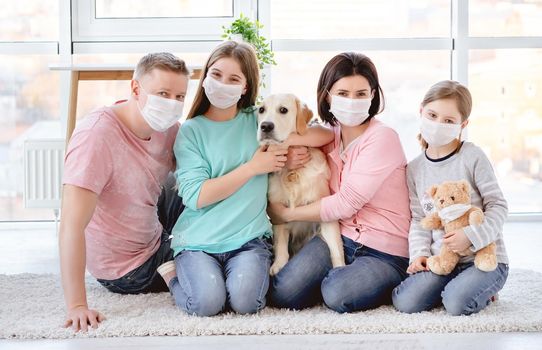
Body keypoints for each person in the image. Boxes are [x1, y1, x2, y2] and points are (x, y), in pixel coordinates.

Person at [157, 40, 331, 317]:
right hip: (199, 241)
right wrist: (253, 167)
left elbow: (325, 134)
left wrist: (286, 148)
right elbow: (196, 196)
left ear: (245, 87)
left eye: (233, 79)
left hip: (248, 240)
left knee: (247, 303)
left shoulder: (257, 119)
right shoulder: (190, 131)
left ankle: (220, 277)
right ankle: (173, 277)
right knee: (206, 304)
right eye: (216, 75)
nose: (223, 84)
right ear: (204, 78)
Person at [267, 52, 411, 313]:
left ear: (373, 96)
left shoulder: (383, 138)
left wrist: (286, 214)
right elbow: (293, 134)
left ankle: (393, 279)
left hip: (383, 250)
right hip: (341, 238)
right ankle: (343, 279)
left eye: (361, 94)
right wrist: (288, 152)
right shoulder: (329, 135)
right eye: (343, 93)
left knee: (337, 293)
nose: (352, 101)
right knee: (283, 292)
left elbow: (346, 204)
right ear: (327, 96)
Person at [59, 53, 188, 331]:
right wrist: (77, 305)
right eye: (163, 93)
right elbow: (70, 226)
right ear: (135, 89)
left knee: (199, 182)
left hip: (149, 224)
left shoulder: (166, 129)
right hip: (127, 268)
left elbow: (208, 165)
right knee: (213, 264)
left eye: (179, 97)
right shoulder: (96, 137)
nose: (171, 104)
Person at [392, 80, 509, 316]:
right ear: (421, 111)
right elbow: (419, 219)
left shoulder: (472, 156)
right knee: (406, 302)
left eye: (448, 121)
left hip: (483, 258)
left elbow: (497, 205)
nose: (438, 124)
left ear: (462, 124)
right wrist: (420, 254)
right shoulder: (414, 169)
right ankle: (461, 286)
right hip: (443, 260)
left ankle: (478, 287)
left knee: (456, 303)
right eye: (432, 115)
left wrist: (470, 235)